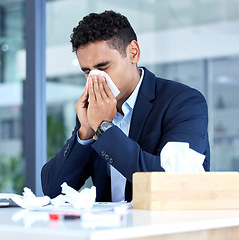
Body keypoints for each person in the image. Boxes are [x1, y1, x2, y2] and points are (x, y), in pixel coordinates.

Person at [41, 10, 210, 202]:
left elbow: (174, 184)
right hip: (112, 230)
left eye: (103, 67)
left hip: (164, 227)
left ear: (133, 53)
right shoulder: (93, 111)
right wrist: (86, 132)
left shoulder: (183, 101)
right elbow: (52, 189)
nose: (95, 79)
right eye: (87, 71)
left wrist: (104, 128)